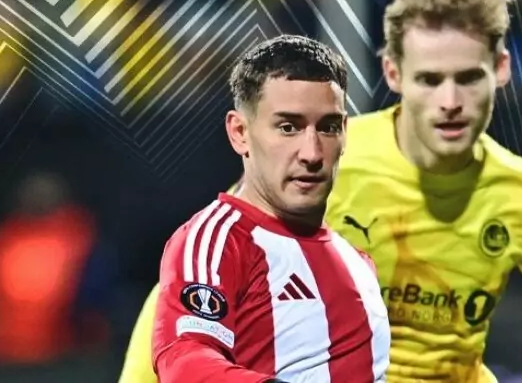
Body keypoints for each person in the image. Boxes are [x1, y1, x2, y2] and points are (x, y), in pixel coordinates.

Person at [120, 0, 522, 383]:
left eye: (468, 78)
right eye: (430, 79)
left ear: (500, 69)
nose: (450, 101)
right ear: (393, 72)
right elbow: (194, 285)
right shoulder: (327, 163)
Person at [150, 34, 390, 383]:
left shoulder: (359, 263)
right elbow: (185, 361)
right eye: (288, 127)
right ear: (240, 133)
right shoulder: (219, 241)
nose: (312, 153)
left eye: (328, 128)